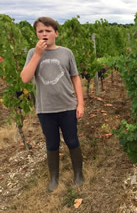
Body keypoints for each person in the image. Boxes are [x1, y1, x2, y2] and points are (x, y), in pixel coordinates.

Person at [20, 17, 84, 192]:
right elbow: (25, 78)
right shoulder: (33, 54)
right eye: (40, 31)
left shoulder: (66, 53)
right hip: (45, 108)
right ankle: (54, 177)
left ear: (56, 33)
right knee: (52, 143)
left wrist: (80, 104)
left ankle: (78, 173)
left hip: (68, 106)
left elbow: (75, 78)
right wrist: (38, 55)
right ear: (36, 34)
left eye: (48, 31)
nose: (44, 34)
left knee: (72, 140)